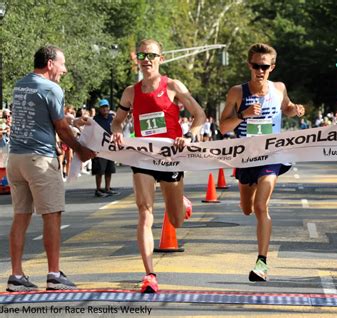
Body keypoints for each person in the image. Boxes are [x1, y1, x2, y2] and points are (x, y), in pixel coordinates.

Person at [111, 39, 206, 293]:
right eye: (142, 55)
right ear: (137, 60)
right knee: (144, 211)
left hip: (171, 157)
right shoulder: (130, 92)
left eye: (151, 55)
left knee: (175, 221)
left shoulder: (173, 86)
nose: (146, 59)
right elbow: (117, 121)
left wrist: (189, 136)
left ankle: (181, 202)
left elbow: (200, 115)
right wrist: (118, 131)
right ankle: (149, 274)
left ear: (160, 59)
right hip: (143, 157)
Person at [6, 45, 95, 292]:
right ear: (49, 64)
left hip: (16, 158)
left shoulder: (21, 84)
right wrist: (81, 150)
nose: (64, 70)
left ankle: (16, 276)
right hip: (40, 160)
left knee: (20, 217)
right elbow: (61, 129)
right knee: (52, 215)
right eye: (62, 64)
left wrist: (73, 120)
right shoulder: (51, 88)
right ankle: (54, 274)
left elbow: (42, 117)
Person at [219, 43, 305, 282]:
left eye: (264, 67)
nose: (260, 70)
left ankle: (262, 263)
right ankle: (250, 187)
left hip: (272, 156)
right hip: (246, 157)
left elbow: (286, 107)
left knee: (260, 206)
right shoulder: (237, 92)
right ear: (249, 65)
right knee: (246, 209)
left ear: (272, 67)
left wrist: (295, 110)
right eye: (256, 65)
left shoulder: (279, 88)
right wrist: (243, 115)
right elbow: (223, 126)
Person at [92, 99, 119, 197]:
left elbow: (118, 128)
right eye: (103, 107)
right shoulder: (95, 119)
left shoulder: (112, 118)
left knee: (109, 169)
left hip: (110, 148)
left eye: (106, 107)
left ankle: (107, 188)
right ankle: (98, 189)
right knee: (99, 170)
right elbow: (91, 133)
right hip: (99, 147)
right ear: (99, 108)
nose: (105, 109)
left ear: (108, 108)